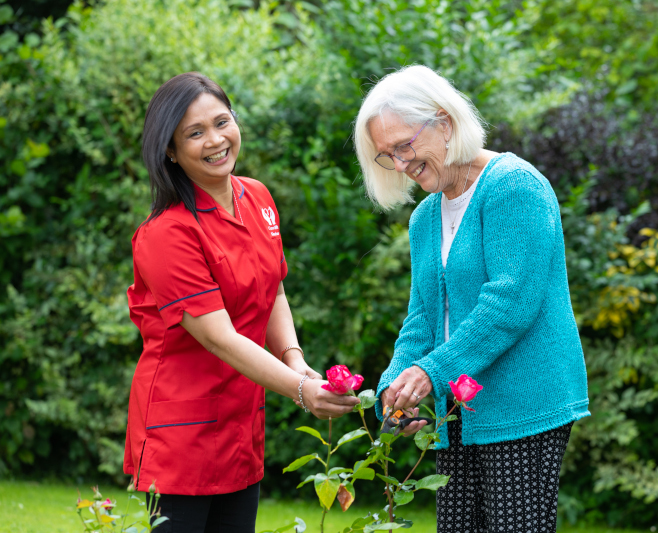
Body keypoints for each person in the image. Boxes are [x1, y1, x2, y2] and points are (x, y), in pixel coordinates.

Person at [353, 65, 590, 532]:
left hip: (522, 406)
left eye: (404, 146)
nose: (400, 164)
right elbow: (422, 317)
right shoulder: (424, 218)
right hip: (458, 409)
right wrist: (395, 387)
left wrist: (431, 372)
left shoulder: (513, 187)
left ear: (444, 122)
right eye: (387, 156)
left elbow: (509, 304)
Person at [124, 72, 359, 532]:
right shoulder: (166, 235)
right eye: (195, 133)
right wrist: (299, 389)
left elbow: (273, 289)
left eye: (222, 122)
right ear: (170, 151)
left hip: (240, 423)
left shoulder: (258, 198)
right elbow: (219, 338)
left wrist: (295, 359)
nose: (215, 140)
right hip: (182, 435)